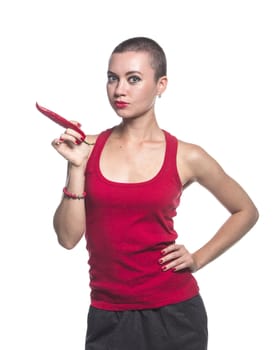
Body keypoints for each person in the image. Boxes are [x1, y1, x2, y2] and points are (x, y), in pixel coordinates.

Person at [51, 37, 259, 350]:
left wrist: (198, 258)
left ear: (161, 85)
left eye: (134, 79)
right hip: (108, 316)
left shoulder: (187, 156)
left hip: (176, 314)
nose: (120, 90)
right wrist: (75, 168)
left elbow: (246, 211)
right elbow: (68, 238)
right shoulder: (86, 148)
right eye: (113, 78)